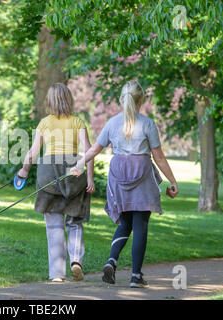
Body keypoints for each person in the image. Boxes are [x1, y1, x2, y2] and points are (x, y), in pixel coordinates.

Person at [70, 79, 179, 288]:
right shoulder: (147, 124)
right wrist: (172, 182)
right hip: (142, 172)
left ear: (122, 99)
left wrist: (79, 164)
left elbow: (94, 149)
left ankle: (112, 260)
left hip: (118, 173)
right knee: (140, 225)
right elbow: (159, 157)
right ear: (142, 100)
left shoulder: (112, 123)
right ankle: (136, 277)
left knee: (125, 221)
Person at [17, 83, 95, 282]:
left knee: (54, 225)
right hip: (73, 171)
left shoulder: (44, 123)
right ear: (69, 100)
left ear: (49, 102)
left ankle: (57, 275)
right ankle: (76, 259)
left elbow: (33, 152)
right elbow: (89, 152)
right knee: (75, 220)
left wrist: (24, 171)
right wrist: (90, 178)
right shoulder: (77, 122)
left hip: (48, 172)